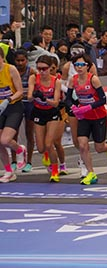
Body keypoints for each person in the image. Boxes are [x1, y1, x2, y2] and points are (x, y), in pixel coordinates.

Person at [66, 53, 107, 185]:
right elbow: (68, 98)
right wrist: (73, 107)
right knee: (82, 144)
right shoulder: (73, 80)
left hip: (98, 116)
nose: (79, 67)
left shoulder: (93, 79)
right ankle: (91, 172)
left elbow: (103, 99)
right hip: (83, 117)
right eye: (77, 65)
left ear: (88, 66)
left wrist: (88, 107)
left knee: (99, 148)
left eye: (82, 65)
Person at [27, 55, 61, 182]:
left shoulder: (55, 81)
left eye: (44, 69)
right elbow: (29, 96)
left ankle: (55, 170)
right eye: (39, 69)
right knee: (41, 148)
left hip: (52, 112)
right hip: (38, 112)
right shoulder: (34, 78)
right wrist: (35, 94)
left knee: (48, 144)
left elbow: (56, 102)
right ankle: (47, 156)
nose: (41, 72)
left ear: (49, 68)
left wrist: (45, 99)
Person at [0, 50, 25, 183]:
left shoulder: (11, 69)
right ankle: (8, 170)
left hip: (13, 106)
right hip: (0, 109)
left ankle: (20, 149)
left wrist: (8, 100)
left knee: (5, 140)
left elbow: (20, 91)